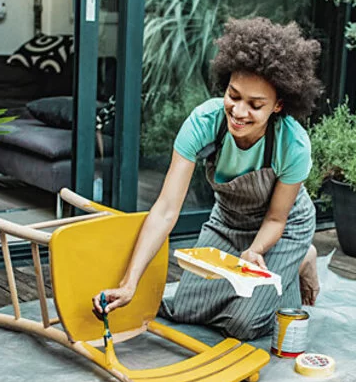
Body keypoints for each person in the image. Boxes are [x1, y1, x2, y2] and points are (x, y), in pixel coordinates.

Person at [93, 17, 323, 340]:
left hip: (281, 229)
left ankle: (299, 258)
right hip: (228, 221)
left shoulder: (293, 144)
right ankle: (279, 272)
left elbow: (275, 218)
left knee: (245, 324)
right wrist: (130, 283)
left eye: (255, 105)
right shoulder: (204, 123)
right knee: (186, 309)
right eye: (234, 95)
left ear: (278, 105)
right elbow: (165, 210)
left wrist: (256, 251)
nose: (239, 112)